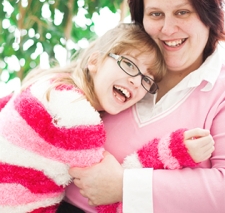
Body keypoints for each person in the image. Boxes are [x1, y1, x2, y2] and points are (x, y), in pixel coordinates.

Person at [65, 0, 225, 213]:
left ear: (209, 16)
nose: (168, 29)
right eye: (155, 14)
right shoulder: (119, 65)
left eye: (182, 12)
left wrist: (125, 185)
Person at [0, 22, 213, 213]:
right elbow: (106, 191)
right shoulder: (74, 115)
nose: (136, 82)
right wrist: (175, 149)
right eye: (129, 64)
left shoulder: (50, 83)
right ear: (95, 61)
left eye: (147, 79)